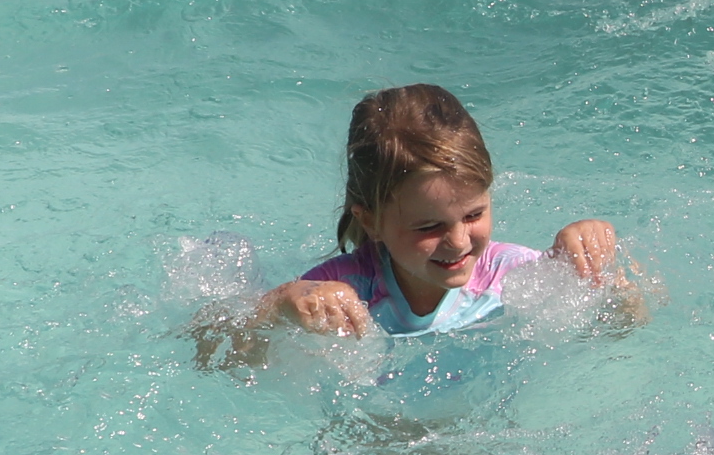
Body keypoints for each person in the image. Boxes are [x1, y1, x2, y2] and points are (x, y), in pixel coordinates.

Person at [238, 84, 623, 353]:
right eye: (429, 227)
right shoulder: (341, 291)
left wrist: (596, 268)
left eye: (474, 214)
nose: (459, 242)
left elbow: (621, 327)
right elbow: (221, 355)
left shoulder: (510, 276)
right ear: (371, 222)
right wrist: (280, 305)